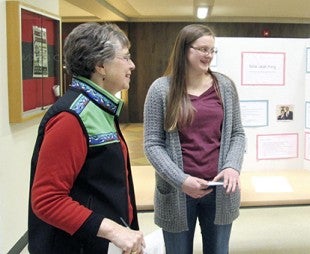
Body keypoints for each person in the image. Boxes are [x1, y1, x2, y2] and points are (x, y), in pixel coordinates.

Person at [28, 23, 145, 254]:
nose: (132, 65)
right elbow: (46, 200)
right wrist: (113, 230)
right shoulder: (71, 116)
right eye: (125, 57)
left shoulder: (99, 107)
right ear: (100, 65)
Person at [143, 24, 246, 254]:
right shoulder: (161, 90)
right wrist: (181, 179)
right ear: (184, 50)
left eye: (212, 50)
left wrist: (232, 167)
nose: (208, 55)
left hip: (219, 190)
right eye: (202, 49)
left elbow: (238, 133)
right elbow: (152, 144)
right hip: (177, 191)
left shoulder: (225, 87)